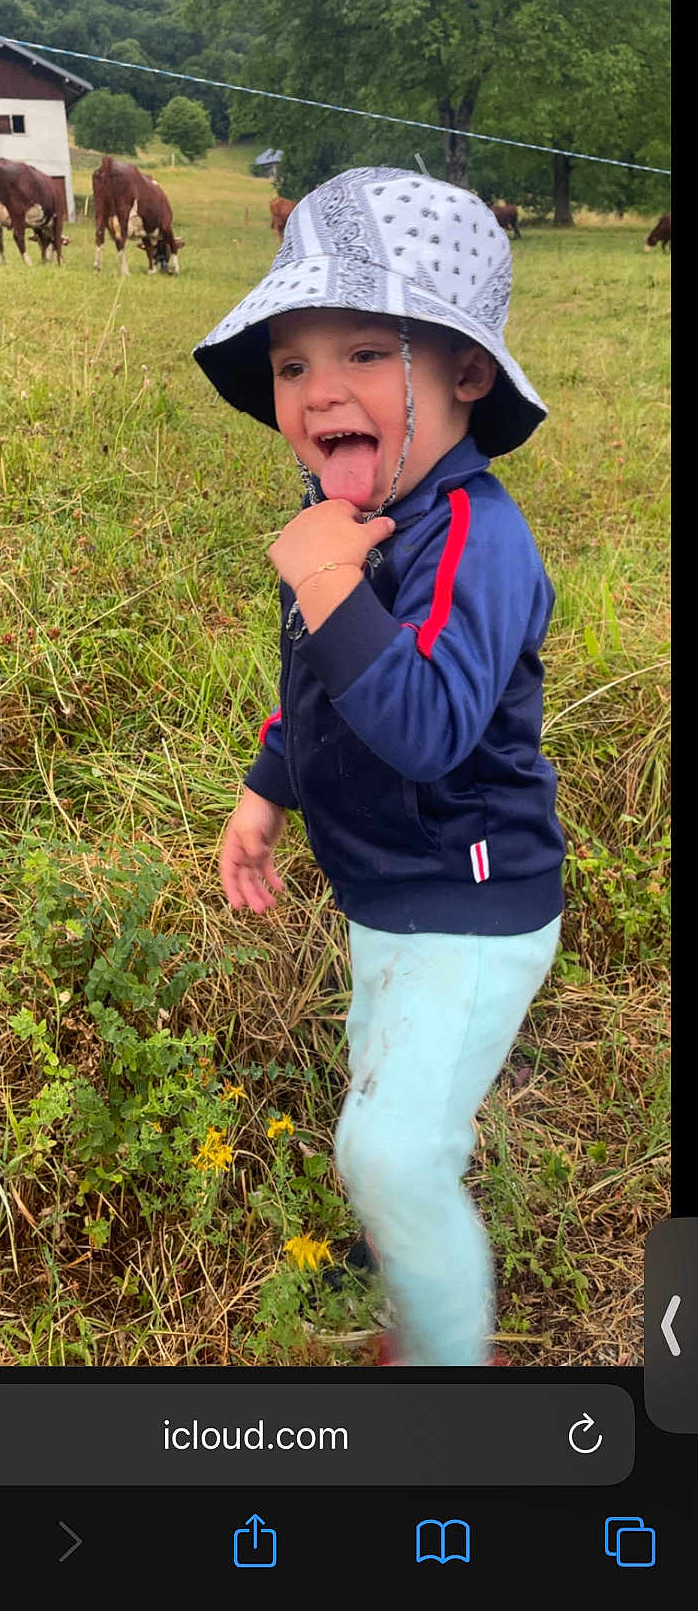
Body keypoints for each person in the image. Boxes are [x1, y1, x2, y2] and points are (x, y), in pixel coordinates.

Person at [192, 168, 566, 1366]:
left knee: (389, 1150)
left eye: (363, 350)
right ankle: (416, 1259)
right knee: (390, 1087)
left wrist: (325, 579)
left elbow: (426, 727)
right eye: (292, 365)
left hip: (471, 896)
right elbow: (320, 689)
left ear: (466, 373)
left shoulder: (475, 536)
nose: (317, 392)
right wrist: (266, 787)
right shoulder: (345, 523)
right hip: (388, 889)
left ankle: (448, 1373)